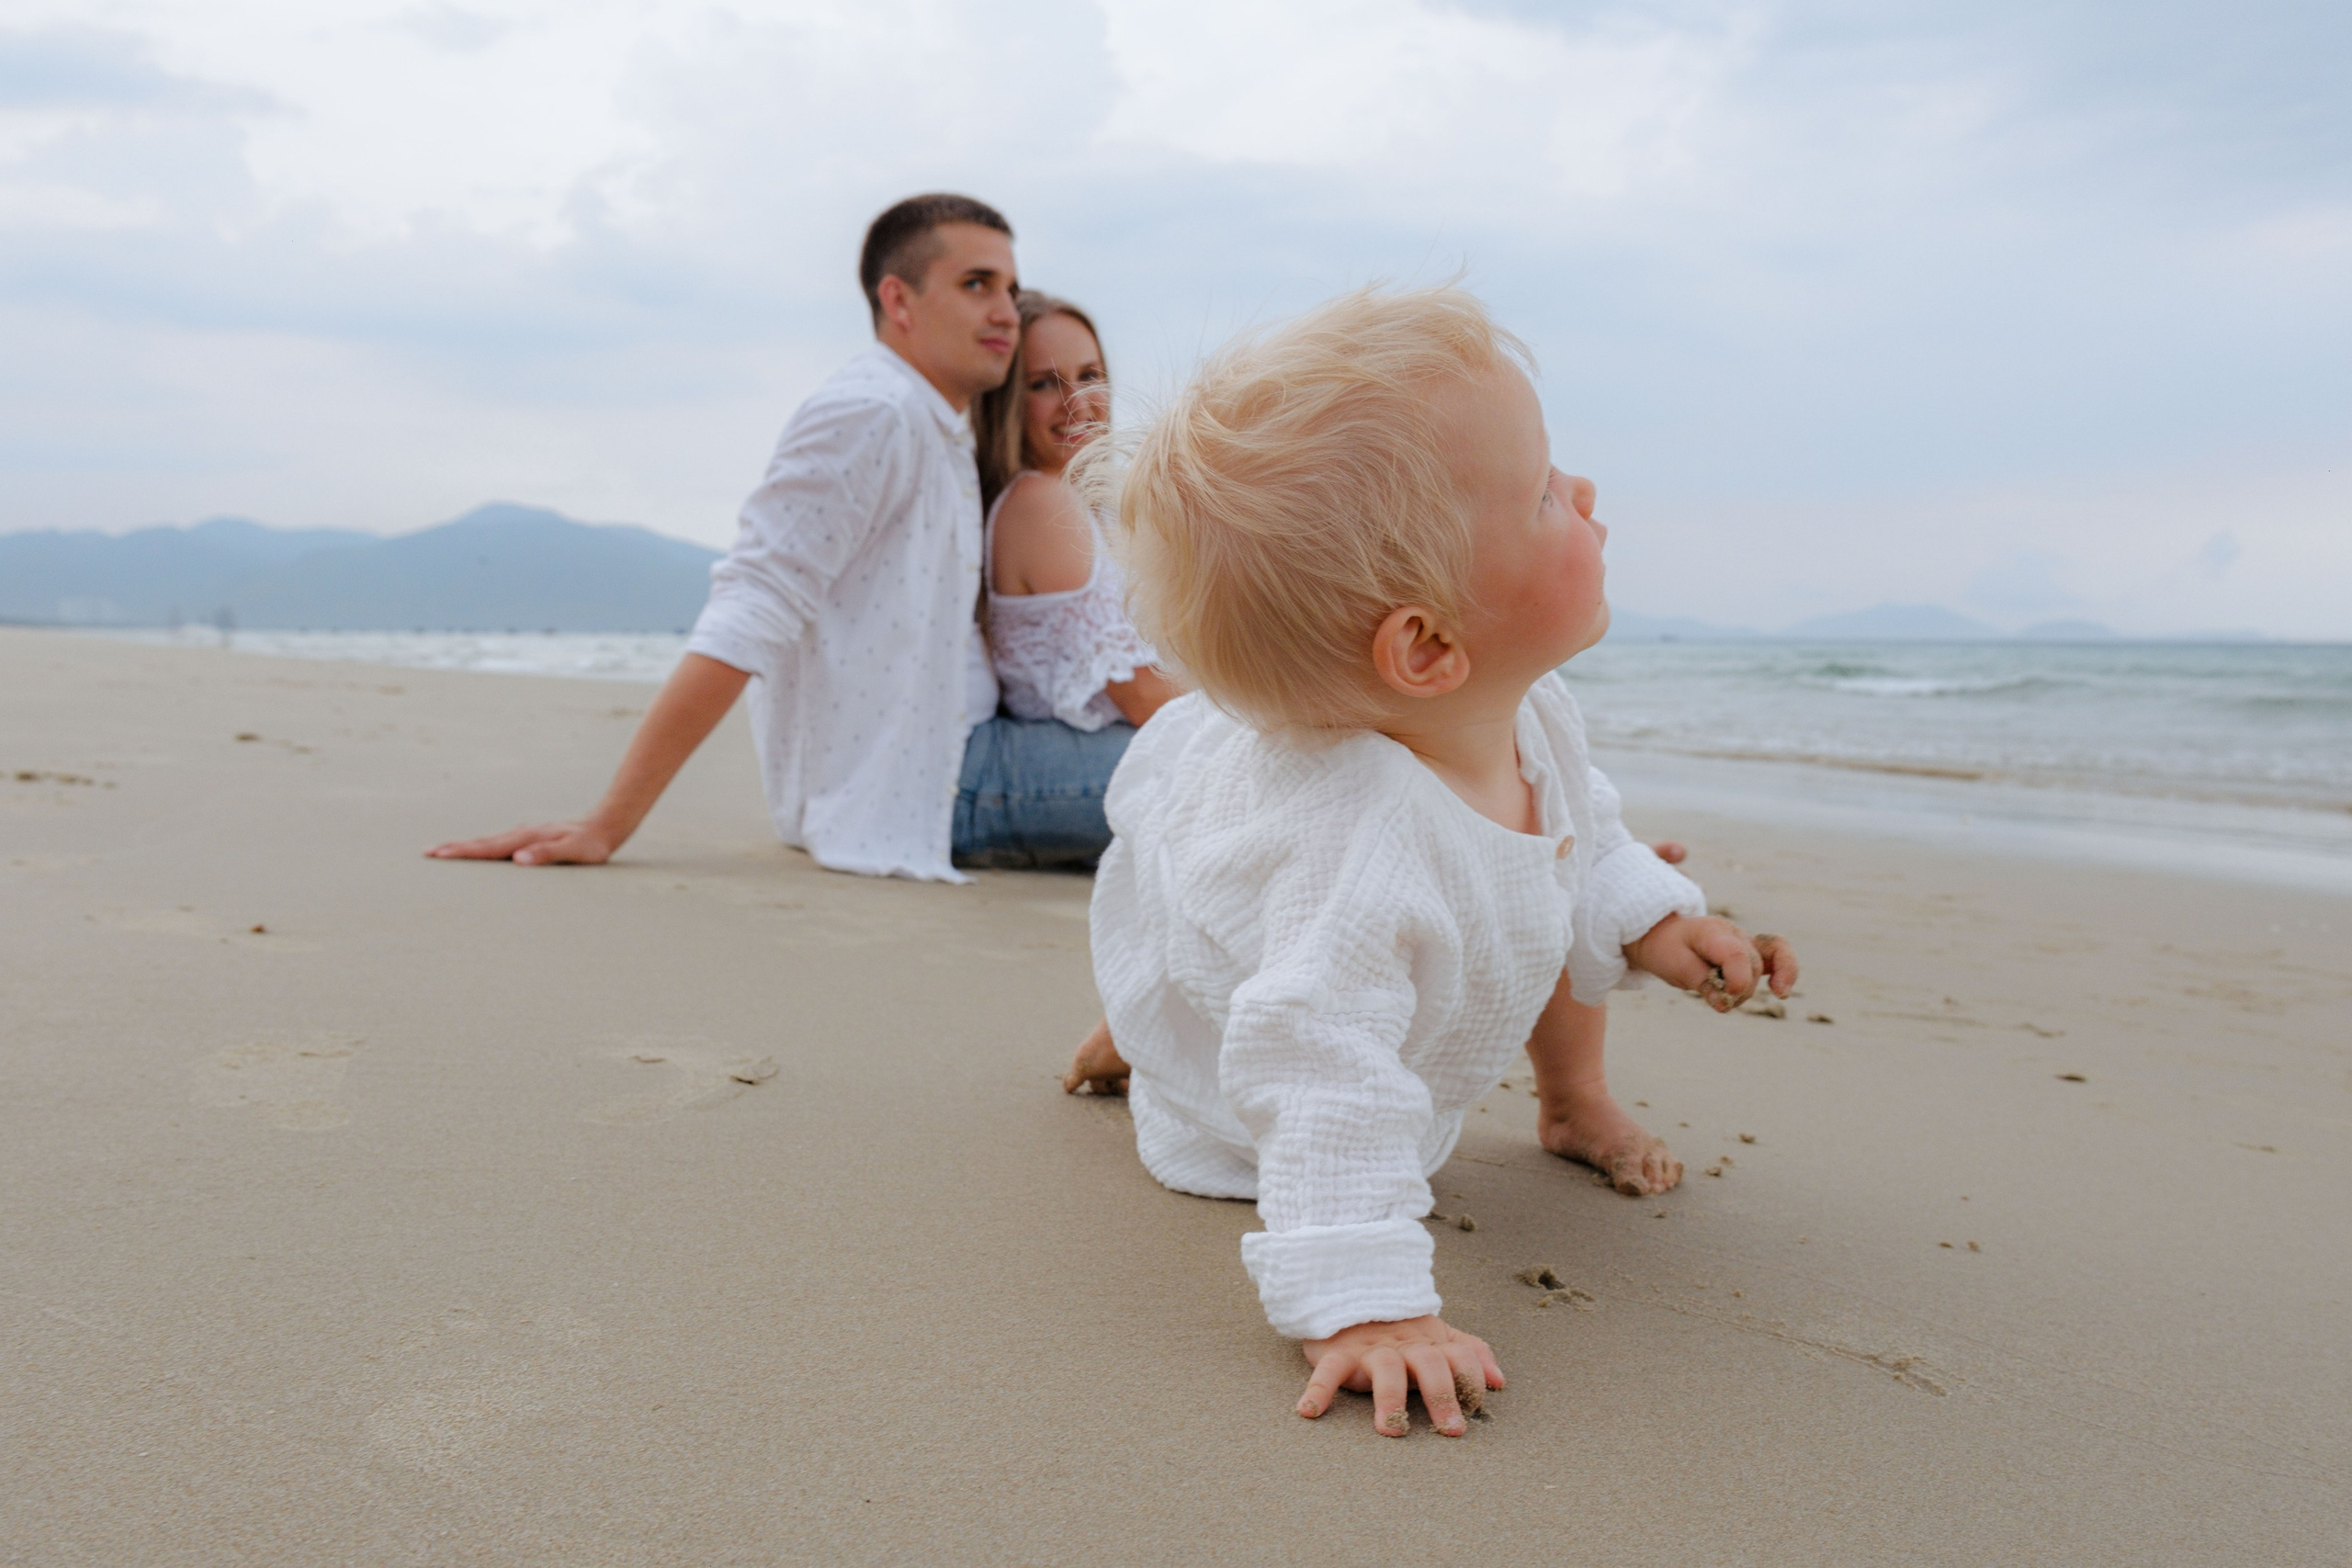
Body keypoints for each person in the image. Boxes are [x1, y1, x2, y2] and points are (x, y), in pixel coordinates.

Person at [1071, 285, 1798, 1438]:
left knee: (1543, 867)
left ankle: (1573, 1102)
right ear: (1426, 645)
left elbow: (1588, 828)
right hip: (1273, 1046)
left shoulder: (1531, 707)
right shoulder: (1355, 854)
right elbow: (1319, 1068)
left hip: (1361, 944)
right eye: (1545, 496)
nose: (1587, 493)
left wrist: (1659, 923)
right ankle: (1160, 1035)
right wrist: (1366, 1307)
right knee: (1258, 989)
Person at [426, 194, 1127, 878]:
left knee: (1207, 757)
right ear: (899, 301)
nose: (1005, 310)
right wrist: (608, 822)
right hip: (934, 783)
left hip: (945, 762)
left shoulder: (935, 424)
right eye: (977, 284)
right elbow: (751, 606)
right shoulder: (870, 412)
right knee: (1206, 769)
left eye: (1010, 286)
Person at [958, 292, 1179, 867]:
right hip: (1073, 752)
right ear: (1007, 402)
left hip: (1105, 745)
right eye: (1043, 383)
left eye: (1090, 375)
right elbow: (1144, 698)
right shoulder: (1039, 504)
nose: (1078, 401)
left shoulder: (1092, 503)